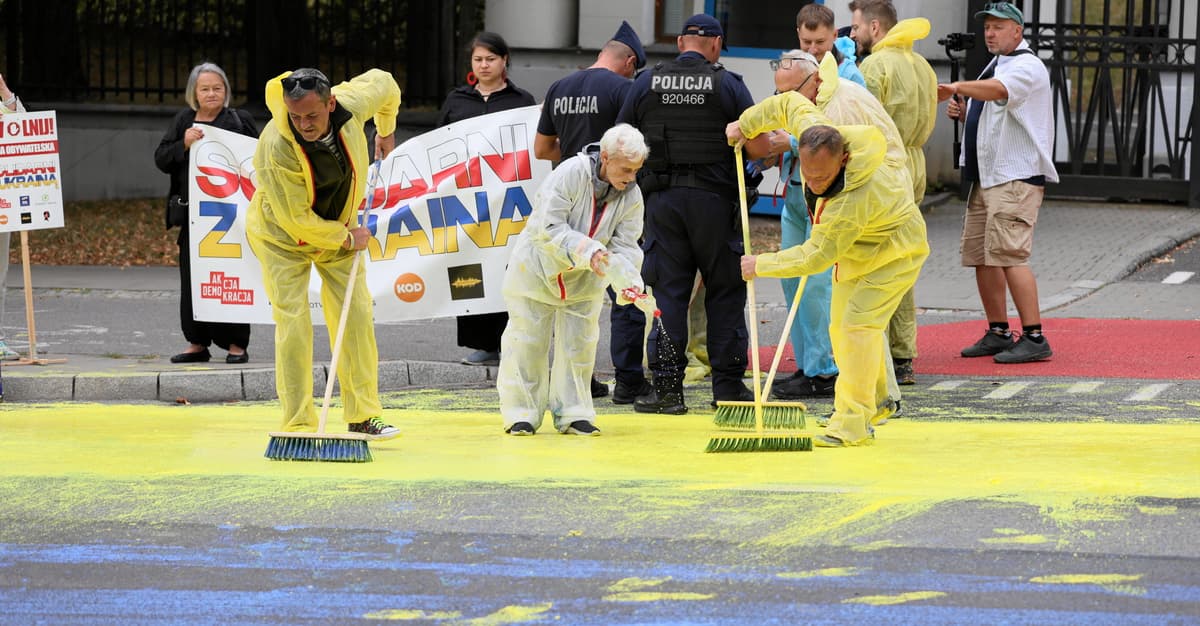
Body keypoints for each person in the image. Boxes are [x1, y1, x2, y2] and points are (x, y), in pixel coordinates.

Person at [731, 113, 929, 447]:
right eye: (807, 175)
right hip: (858, 253)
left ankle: (853, 422)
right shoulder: (813, 128)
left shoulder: (852, 198)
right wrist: (747, 124)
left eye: (822, 177)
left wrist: (760, 264)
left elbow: (815, 256)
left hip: (894, 254)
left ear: (844, 160)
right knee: (840, 329)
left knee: (856, 329)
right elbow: (788, 103)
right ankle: (877, 399)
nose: (814, 184)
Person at [617, 13, 767, 414]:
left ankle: (667, 392)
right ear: (715, 45)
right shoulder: (729, 84)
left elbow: (622, 140)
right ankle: (729, 389)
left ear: (681, 42)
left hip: (662, 203)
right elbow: (757, 147)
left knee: (668, 294)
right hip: (716, 204)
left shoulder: (645, 83)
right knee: (725, 292)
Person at [245, 68, 401, 439]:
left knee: (356, 315)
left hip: (339, 226)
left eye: (312, 115)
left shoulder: (352, 103)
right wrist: (346, 238)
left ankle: (363, 415)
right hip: (281, 237)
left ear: (331, 104)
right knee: (293, 322)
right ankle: (298, 423)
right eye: (296, 116)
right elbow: (295, 219)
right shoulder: (275, 146)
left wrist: (385, 130)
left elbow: (385, 83)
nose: (304, 125)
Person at [759, 51, 911, 402]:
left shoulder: (842, 101)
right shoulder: (808, 97)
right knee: (801, 284)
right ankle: (814, 368)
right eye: (779, 93)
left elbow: (837, 154)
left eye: (790, 93)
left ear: (813, 80)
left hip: (855, 206)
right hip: (809, 194)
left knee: (840, 300)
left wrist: (758, 265)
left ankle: (845, 380)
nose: (785, 101)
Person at [499, 124, 652, 436]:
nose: (631, 177)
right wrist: (590, 251)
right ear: (605, 158)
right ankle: (520, 414)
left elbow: (626, 244)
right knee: (526, 342)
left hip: (583, 281)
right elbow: (548, 227)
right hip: (538, 271)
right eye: (626, 169)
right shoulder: (570, 173)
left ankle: (574, 412)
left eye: (637, 170)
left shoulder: (632, 195)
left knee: (579, 346)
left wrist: (627, 279)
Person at [533, 20, 648, 403]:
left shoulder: (559, 87)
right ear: (629, 62)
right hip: (610, 202)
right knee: (622, 282)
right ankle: (628, 379)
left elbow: (542, 149)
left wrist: (572, 158)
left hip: (568, 204)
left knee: (569, 297)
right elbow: (631, 149)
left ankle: (578, 379)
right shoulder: (623, 88)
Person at [939, 1, 1057, 363]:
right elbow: (994, 108)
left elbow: (998, 91)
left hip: (1014, 177)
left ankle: (1035, 337)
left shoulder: (1027, 66)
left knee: (1010, 256)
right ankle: (999, 331)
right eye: (987, 27)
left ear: (1017, 31)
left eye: (998, 27)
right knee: (982, 256)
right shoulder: (998, 63)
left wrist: (959, 86)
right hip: (987, 178)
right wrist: (965, 111)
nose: (990, 33)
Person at [849, 0, 937, 386]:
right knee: (904, 258)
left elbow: (861, 123)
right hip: (914, 164)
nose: (852, 34)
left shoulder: (875, 67)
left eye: (856, 27)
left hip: (885, 165)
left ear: (874, 27)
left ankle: (879, 350)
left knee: (875, 261)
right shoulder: (921, 65)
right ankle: (903, 354)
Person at [437, 32, 537, 367]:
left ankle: (514, 341)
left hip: (507, 202)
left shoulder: (522, 101)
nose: (483, 65)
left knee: (507, 267)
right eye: (478, 59)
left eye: (490, 59)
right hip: (465, 201)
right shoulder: (457, 100)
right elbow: (436, 146)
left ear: (504, 60)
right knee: (469, 268)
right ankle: (482, 344)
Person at [154, 62, 256, 365]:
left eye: (217, 88)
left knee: (232, 276)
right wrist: (183, 144)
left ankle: (236, 344)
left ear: (226, 91)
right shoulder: (183, 121)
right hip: (193, 216)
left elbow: (257, 158)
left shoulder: (238, 120)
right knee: (193, 278)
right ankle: (197, 342)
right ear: (194, 93)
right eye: (205, 89)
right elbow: (161, 159)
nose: (212, 93)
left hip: (230, 215)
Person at [0, 72, 25, 360]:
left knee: (0, 275)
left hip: (3, 204)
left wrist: (4, 90)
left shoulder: (5, 106)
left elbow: (28, 128)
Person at [796, 4, 865, 88]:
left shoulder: (850, 75)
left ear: (835, 35)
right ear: (798, 34)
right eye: (807, 42)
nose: (813, 50)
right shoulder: (790, 70)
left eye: (820, 42)